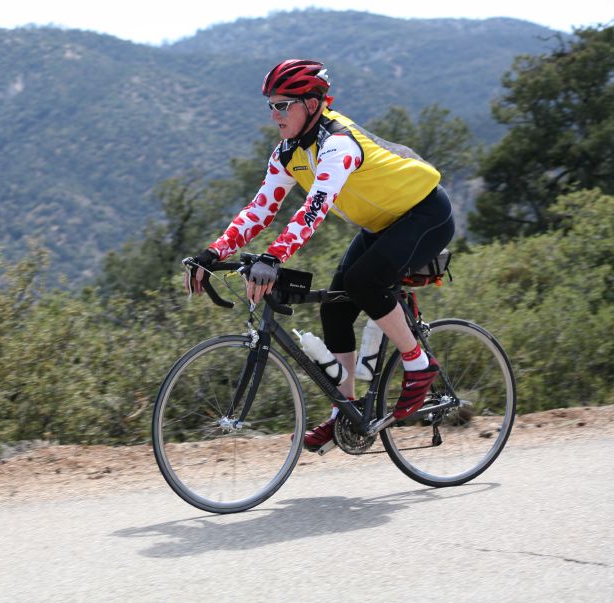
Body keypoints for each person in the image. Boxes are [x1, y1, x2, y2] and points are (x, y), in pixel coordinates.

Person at [188, 59, 455, 451]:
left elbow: (314, 209)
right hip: (382, 224)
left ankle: (417, 363)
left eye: (284, 105)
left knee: (365, 282)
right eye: (271, 106)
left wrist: (273, 256)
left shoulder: (338, 144)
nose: (275, 114)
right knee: (335, 306)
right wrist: (213, 252)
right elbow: (260, 210)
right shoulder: (286, 153)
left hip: (425, 213)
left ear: (312, 104)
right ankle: (344, 410)